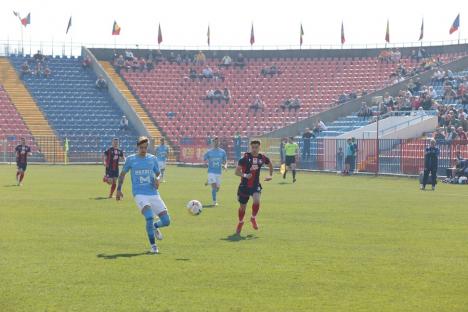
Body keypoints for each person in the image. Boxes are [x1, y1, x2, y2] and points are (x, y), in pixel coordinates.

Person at [116, 136, 171, 254]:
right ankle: (153, 246)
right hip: (139, 194)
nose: (143, 150)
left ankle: (155, 227)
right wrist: (118, 190)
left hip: (153, 193)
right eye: (141, 147)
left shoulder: (152, 159)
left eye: (145, 147)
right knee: (149, 217)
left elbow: (158, 173)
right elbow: (122, 175)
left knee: (166, 221)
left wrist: (157, 179)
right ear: (137, 147)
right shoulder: (130, 159)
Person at [235, 140, 273, 235]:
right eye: (253, 147)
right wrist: (244, 175)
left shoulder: (262, 158)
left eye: (256, 147)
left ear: (259, 147)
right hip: (244, 186)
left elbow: (270, 165)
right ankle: (240, 222)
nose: (255, 149)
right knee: (242, 207)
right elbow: (236, 172)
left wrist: (270, 175)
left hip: (255, 185)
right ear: (250, 147)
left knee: (257, 200)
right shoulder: (245, 158)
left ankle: (253, 218)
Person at [203, 137, 227, 206]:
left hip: (218, 172)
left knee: (217, 188)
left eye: (217, 142)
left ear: (219, 143)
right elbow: (204, 159)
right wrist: (205, 163)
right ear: (212, 143)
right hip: (211, 171)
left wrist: (225, 166)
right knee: (214, 187)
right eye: (215, 142)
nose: (216, 143)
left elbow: (225, 161)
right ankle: (214, 201)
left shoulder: (222, 152)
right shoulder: (209, 152)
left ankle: (209, 181)